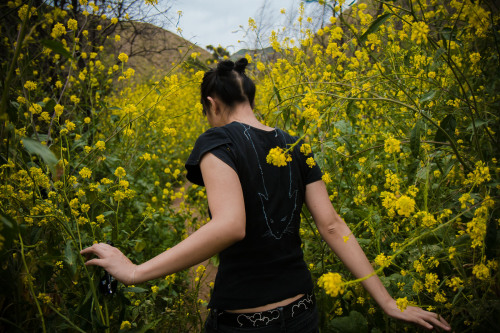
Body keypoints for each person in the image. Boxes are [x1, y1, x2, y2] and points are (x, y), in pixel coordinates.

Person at [80, 58, 451, 332]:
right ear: (251, 98)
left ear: (211, 104)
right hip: (303, 314)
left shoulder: (217, 140)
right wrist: (387, 302)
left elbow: (230, 226)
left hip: (245, 321)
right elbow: (333, 225)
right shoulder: (295, 145)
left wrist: (135, 272)